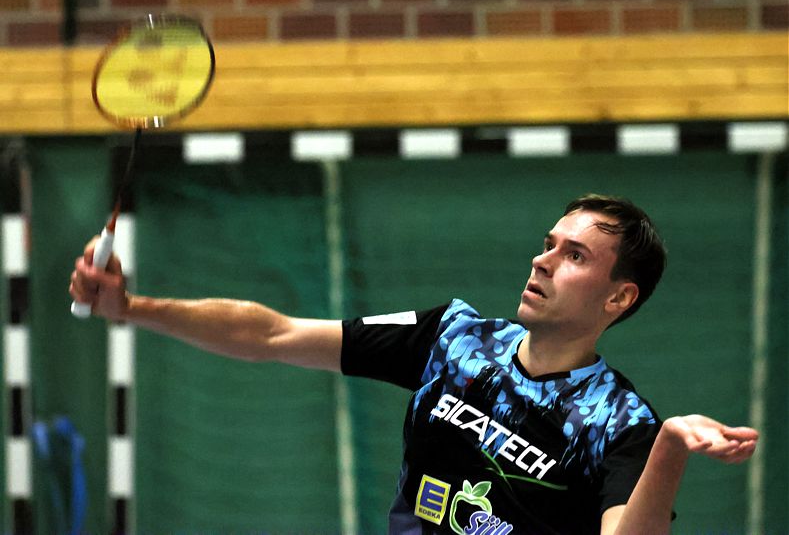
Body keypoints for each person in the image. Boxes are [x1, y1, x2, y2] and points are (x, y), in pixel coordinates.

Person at [69, 193, 758, 534]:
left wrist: (668, 446)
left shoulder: (618, 421)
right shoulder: (452, 340)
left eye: (573, 255)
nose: (542, 259)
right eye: (547, 243)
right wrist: (132, 308)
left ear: (618, 296)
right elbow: (273, 334)